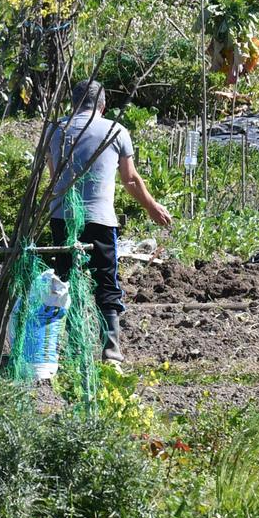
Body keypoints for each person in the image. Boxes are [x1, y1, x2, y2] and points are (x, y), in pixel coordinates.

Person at [44, 81, 172, 370]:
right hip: (100, 218)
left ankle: (72, 347)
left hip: (62, 217)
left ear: (73, 104)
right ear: (102, 106)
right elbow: (130, 179)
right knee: (105, 281)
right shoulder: (116, 130)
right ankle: (111, 351)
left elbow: (53, 177)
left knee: (66, 279)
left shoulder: (56, 130)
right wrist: (152, 208)